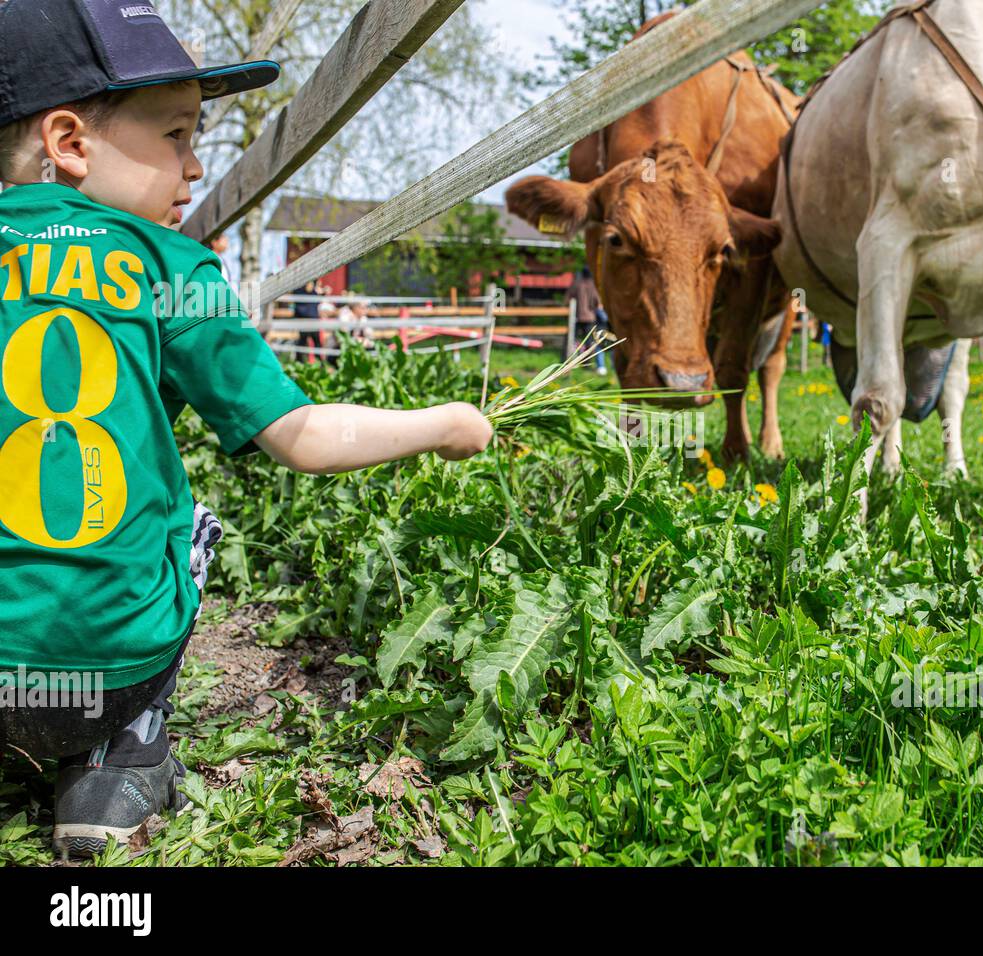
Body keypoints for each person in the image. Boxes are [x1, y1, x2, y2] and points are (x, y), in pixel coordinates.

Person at [0, 0, 493, 858]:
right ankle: (121, 754)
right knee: (186, 526)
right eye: (178, 135)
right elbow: (300, 436)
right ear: (70, 142)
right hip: (102, 678)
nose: (196, 165)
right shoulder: (170, 265)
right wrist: (446, 423)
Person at [567, 266, 604, 370]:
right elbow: (597, 302)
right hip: (590, 318)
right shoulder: (592, 285)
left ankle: (572, 362)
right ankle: (587, 364)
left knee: (574, 340)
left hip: (577, 317)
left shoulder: (576, 284)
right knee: (589, 343)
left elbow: (568, 297)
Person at [292, 279, 323, 363]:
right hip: (303, 323)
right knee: (301, 343)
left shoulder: (314, 294)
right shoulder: (299, 293)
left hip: (313, 323)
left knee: (317, 344)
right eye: (309, 284)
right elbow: (298, 310)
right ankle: (299, 362)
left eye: (312, 284)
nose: (310, 286)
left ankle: (320, 363)